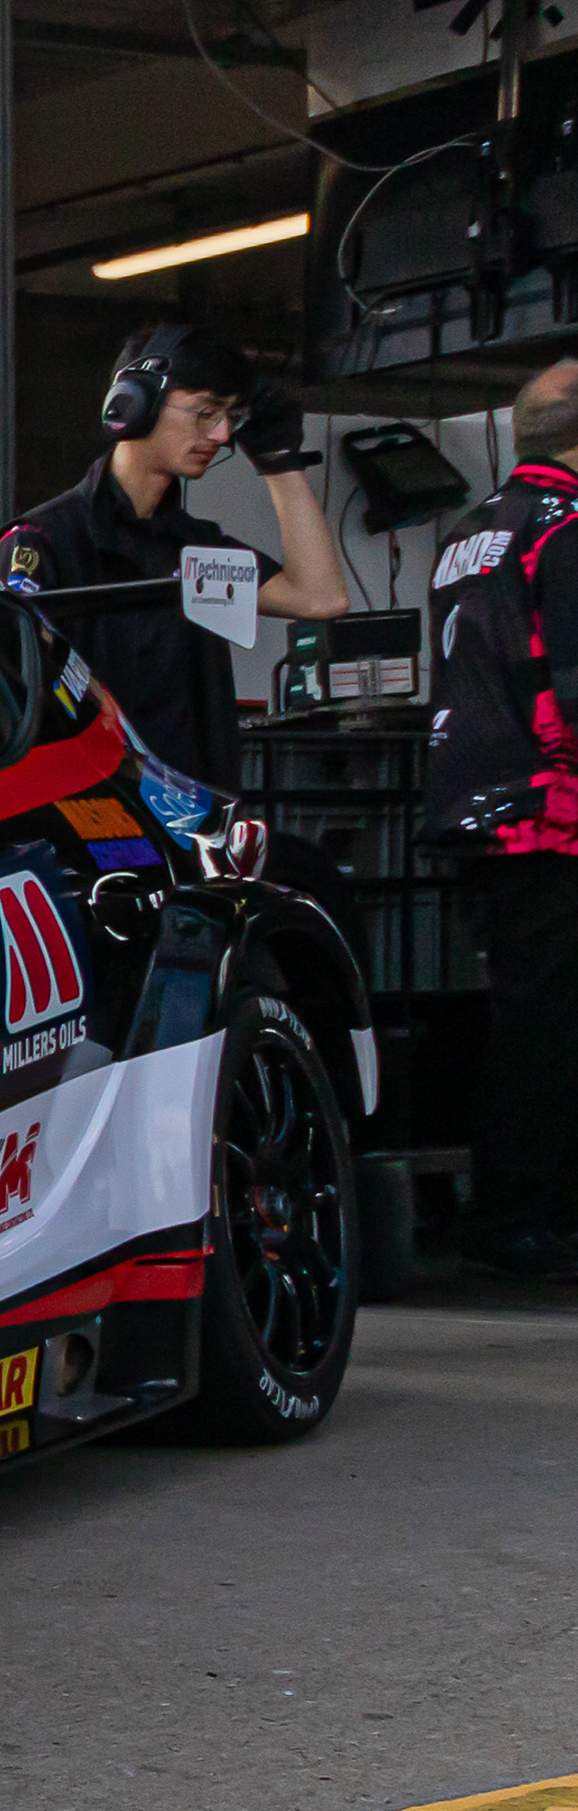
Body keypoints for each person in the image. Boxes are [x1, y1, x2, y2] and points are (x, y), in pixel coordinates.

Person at [0, 324, 352, 788]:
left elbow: (320, 598)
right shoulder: (41, 542)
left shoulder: (196, 548)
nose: (221, 434)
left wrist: (279, 463)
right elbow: (9, 700)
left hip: (193, 813)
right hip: (90, 812)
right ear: (132, 403)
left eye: (231, 416)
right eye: (206, 412)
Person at [417, 355, 578, 1280]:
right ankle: (520, 1218)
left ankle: (520, 1212)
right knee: (546, 1025)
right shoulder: (568, 527)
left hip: (476, 804)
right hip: (552, 812)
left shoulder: (470, 530)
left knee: (527, 1015)